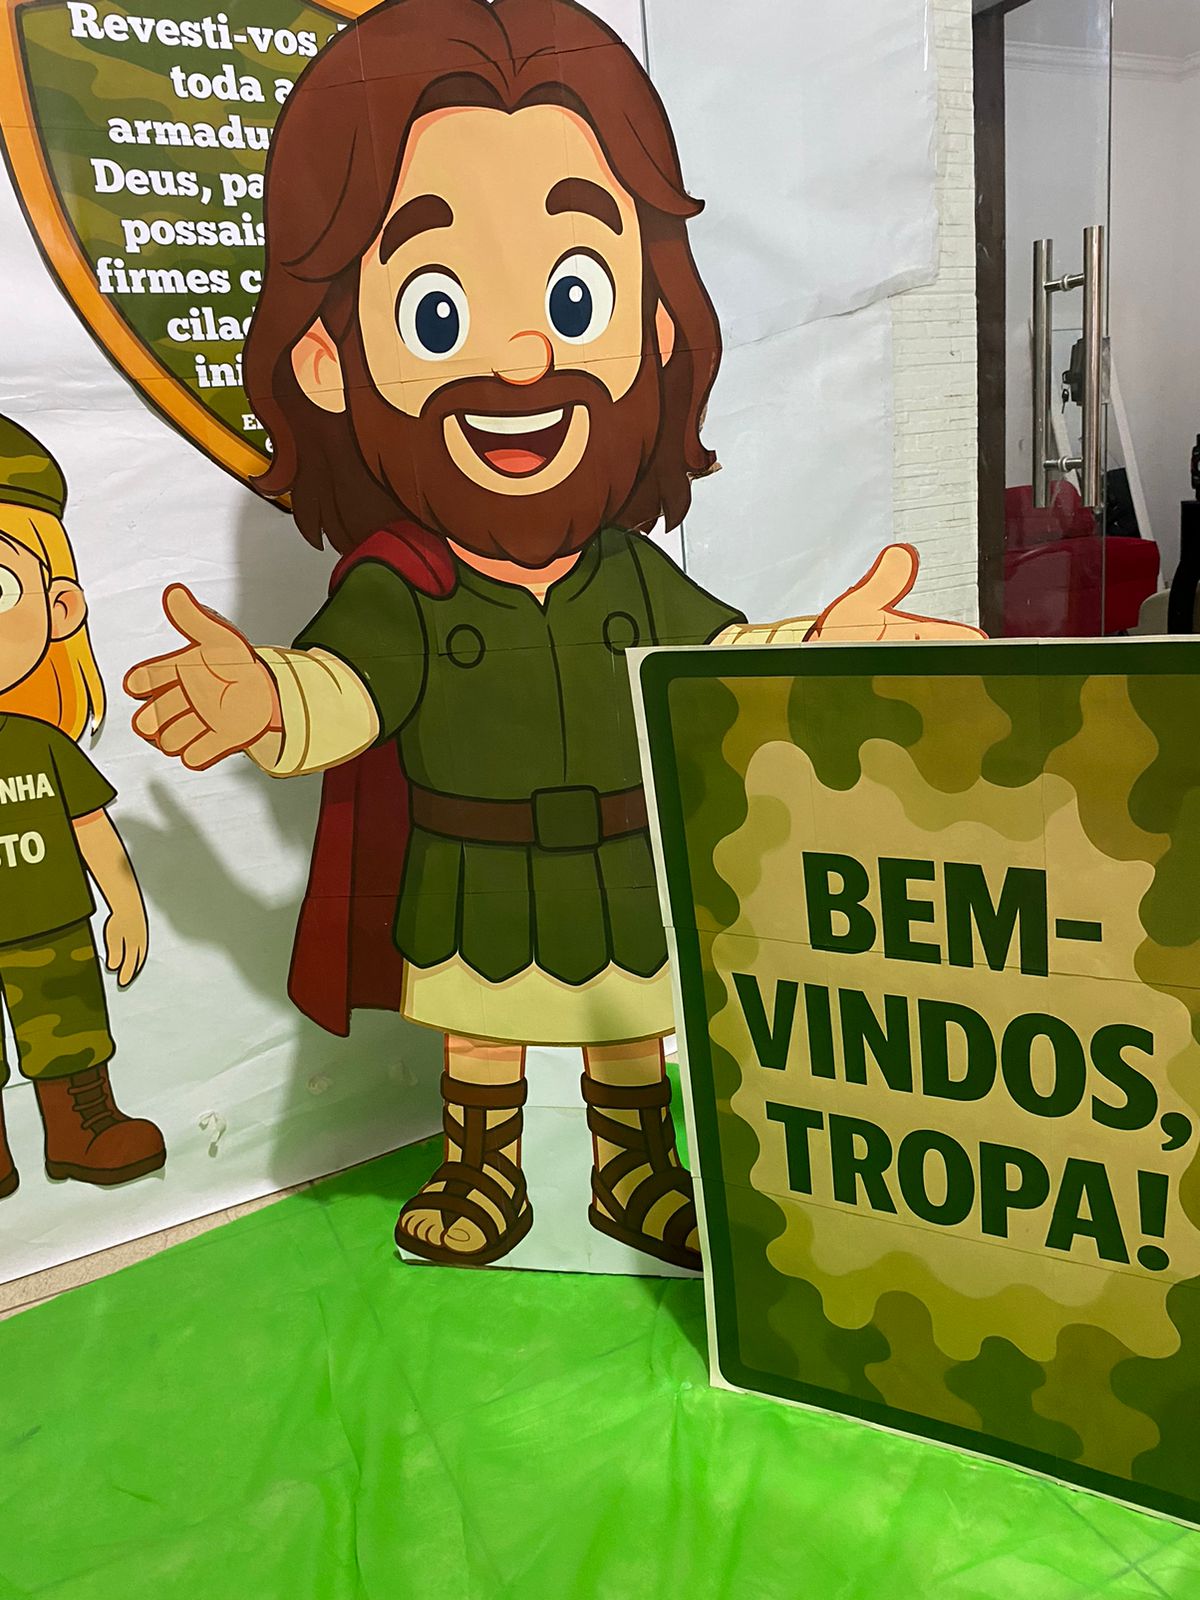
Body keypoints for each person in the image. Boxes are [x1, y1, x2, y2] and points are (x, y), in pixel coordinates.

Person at [125, 0, 979, 1269]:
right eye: (437, 310)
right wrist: (268, 702)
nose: (526, 353)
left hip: (622, 863)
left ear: (653, 327)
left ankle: (636, 1170)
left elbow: (712, 667)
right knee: (483, 1034)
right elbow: (346, 689)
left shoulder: (631, 571)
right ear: (324, 357)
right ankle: (484, 1169)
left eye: (576, 295)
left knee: (631, 1028)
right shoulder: (405, 586)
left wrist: (816, 652)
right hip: (472, 869)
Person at [0, 415, 162, 1200]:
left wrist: (125, 904)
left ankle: (82, 1128)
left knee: (67, 1028)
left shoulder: (41, 741)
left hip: (53, 928)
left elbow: (90, 825)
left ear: (60, 608)